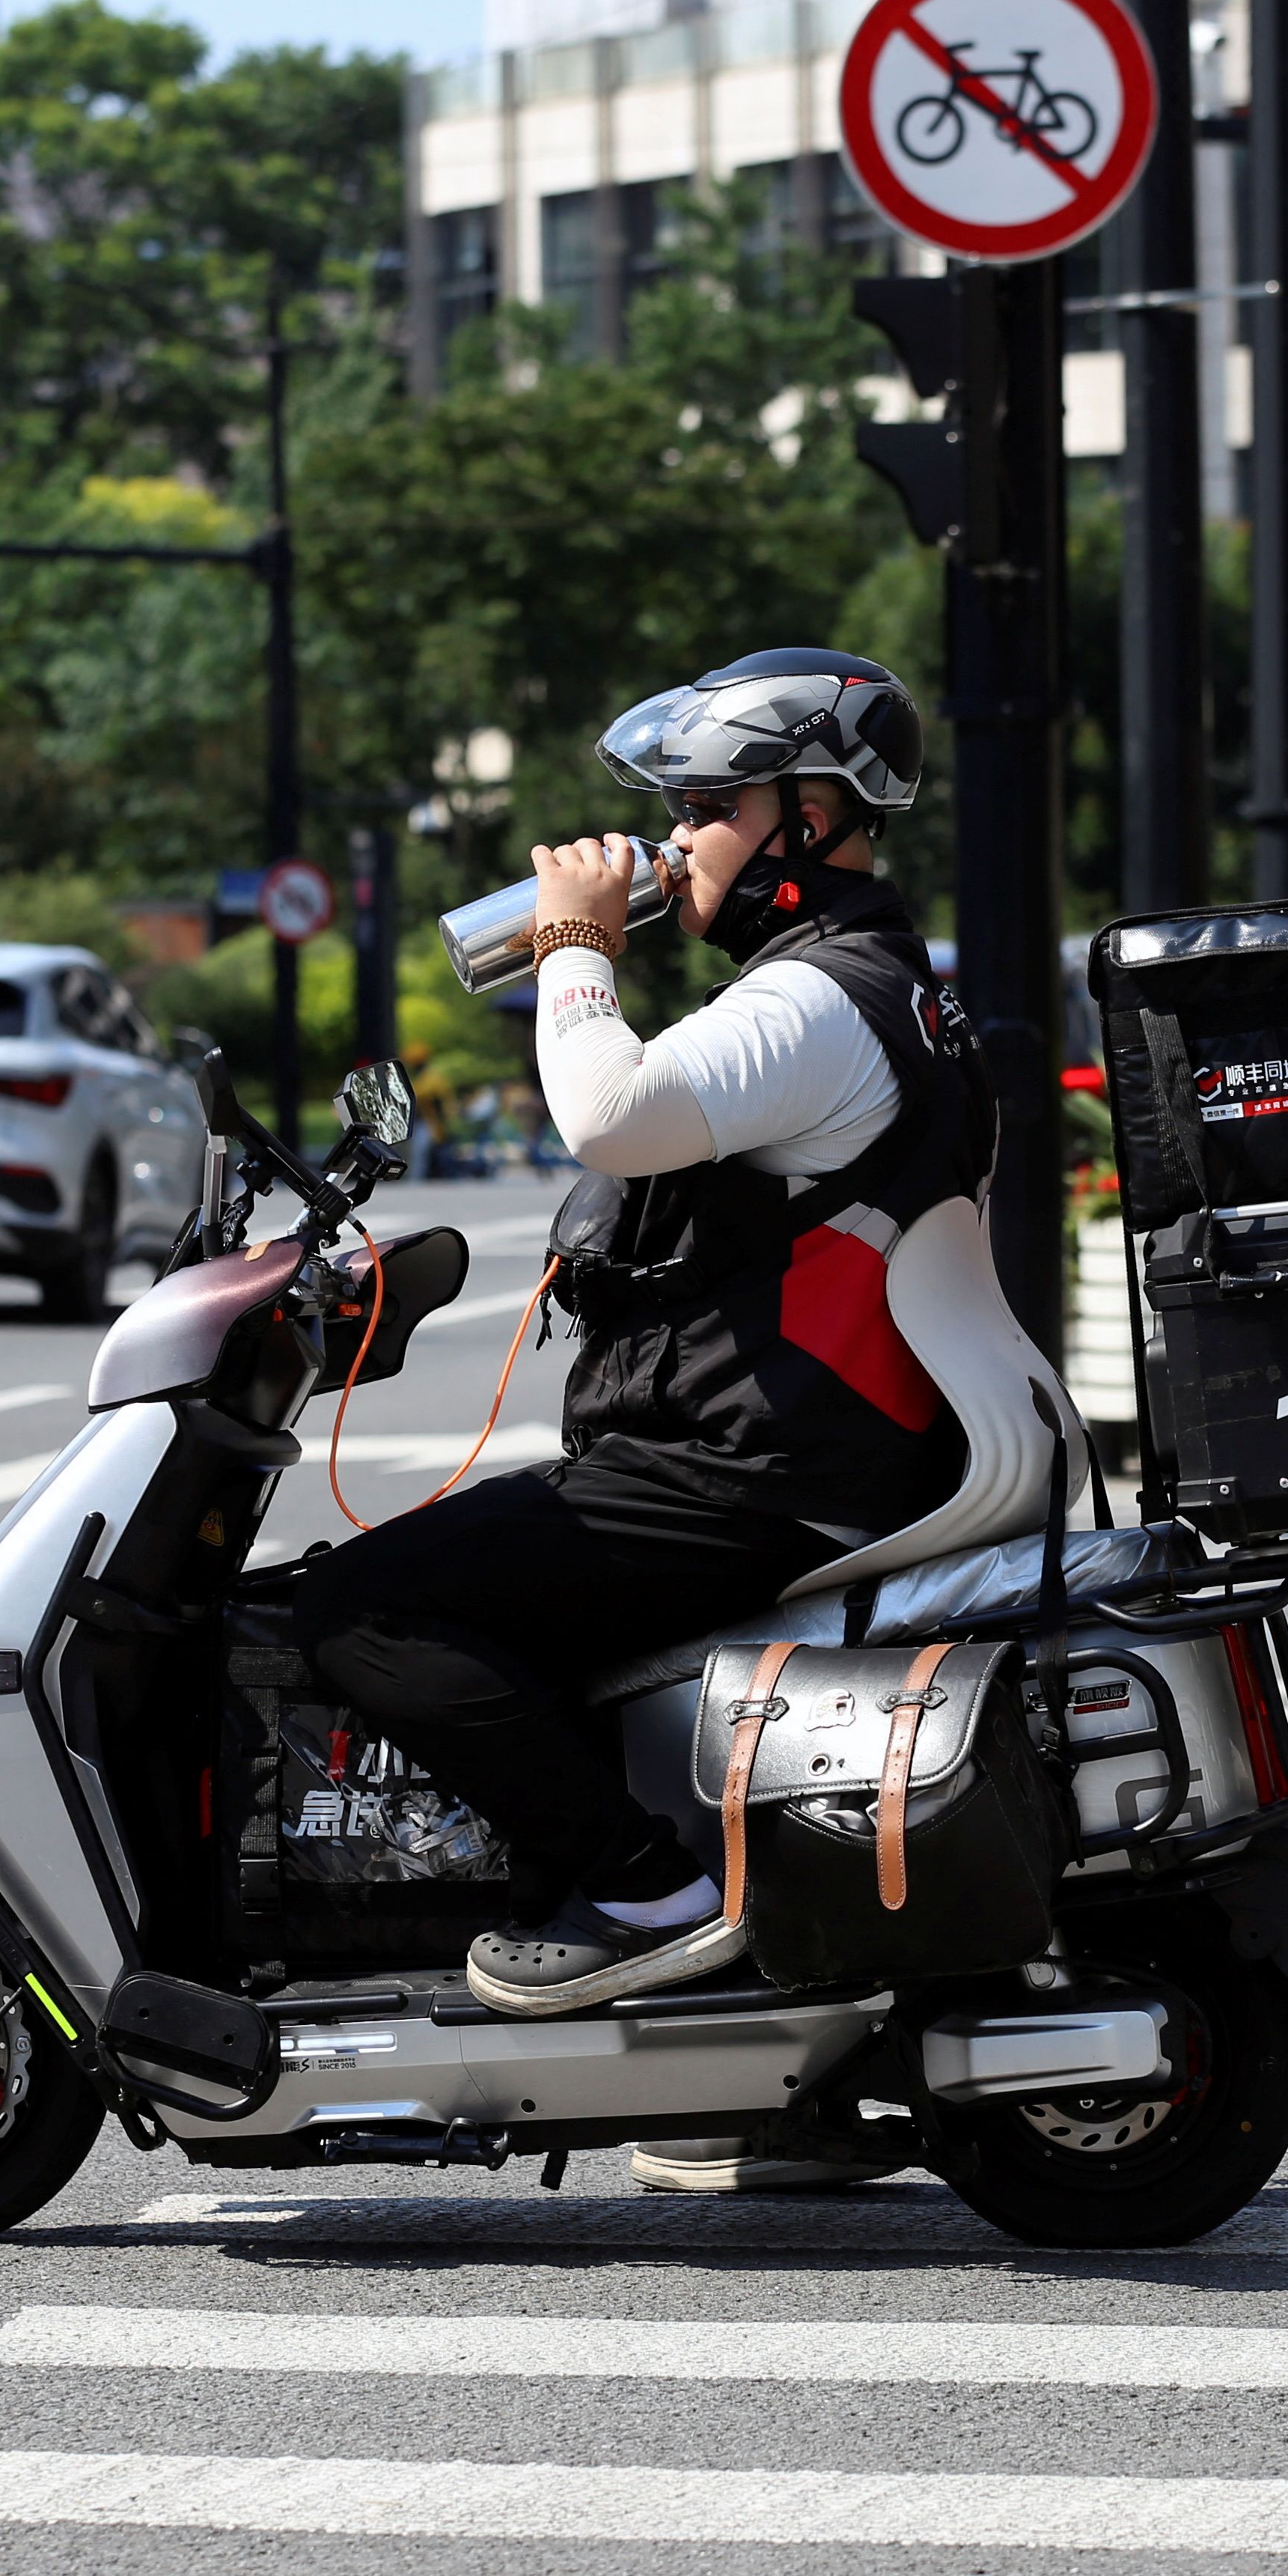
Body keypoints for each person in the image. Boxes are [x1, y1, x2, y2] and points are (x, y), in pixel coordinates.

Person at [293, 649, 999, 2036]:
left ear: (812, 813)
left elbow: (609, 1117)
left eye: (707, 806)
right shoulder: (859, 982)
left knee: (354, 1609)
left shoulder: (817, 1000)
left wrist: (571, 951)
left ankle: (638, 1893)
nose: (675, 839)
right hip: (799, 1452)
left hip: (752, 1466)